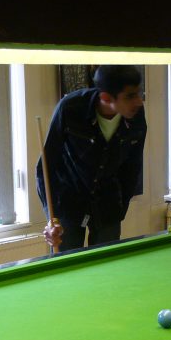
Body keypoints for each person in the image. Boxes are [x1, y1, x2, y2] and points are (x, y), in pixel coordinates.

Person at [36, 65, 146, 251]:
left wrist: (120, 209)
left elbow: (133, 168)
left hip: (108, 203)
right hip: (69, 200)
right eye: (130, 96)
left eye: (138, 93)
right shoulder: (70, 108)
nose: (138, 102)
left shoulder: (136, 116)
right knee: (66, 268)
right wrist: (52, 218)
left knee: (106, 268)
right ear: (106, 98)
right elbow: (46, 166)